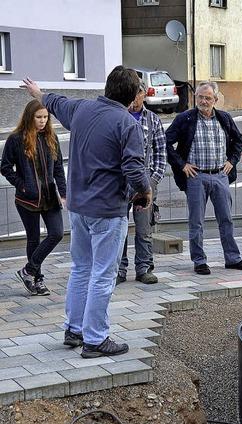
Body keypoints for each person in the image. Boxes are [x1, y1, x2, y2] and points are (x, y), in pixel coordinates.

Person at [21, 66, 151, 359]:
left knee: (81, 269)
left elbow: (54, 101)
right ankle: (95, 339)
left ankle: (74, 329)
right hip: (107, 210)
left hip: (78, 208)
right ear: (132, 97)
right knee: (103, 275)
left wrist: (38, 92)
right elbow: (133, 168)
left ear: (107, 88)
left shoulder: (81, 110)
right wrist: (146, 191)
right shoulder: (127, 123)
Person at [166, 81, 242, 274]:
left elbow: (238, 140)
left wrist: (232, 160)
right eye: (200, 97)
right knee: (196, 222)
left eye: (207, 98)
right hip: (196, 177)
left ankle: (233, 258)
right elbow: (165, 142)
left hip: (220, 175)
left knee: (226, 219)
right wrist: (182, 165)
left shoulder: (224, 118)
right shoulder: (185, 119)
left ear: (215, 99)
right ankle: (199, 260)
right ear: (195, 97)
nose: (203, 101)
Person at [1, 100, 66, 297]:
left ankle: (28, 271)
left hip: (49, 196)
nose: (42, 121)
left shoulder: (51, 138)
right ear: (30, 117)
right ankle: (37, 280)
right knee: (34, 239)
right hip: (26, 199)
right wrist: (22, 184)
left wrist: (63, 193)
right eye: (39, 117)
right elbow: (5, 166)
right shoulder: (16, 139)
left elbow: (58, 169)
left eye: (45, 117)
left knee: (57, 233)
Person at [117, 80, 167, 285]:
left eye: (138, 93)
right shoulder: (119, 117)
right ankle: (119, 269)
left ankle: (144, 267)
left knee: (144, 227)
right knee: (119, 227)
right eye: (132, 93)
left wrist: (154, 179)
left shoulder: (153, 119)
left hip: (145, 178)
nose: (134, 98)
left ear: (143, 95)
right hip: (119, 179)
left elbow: (160, 151)